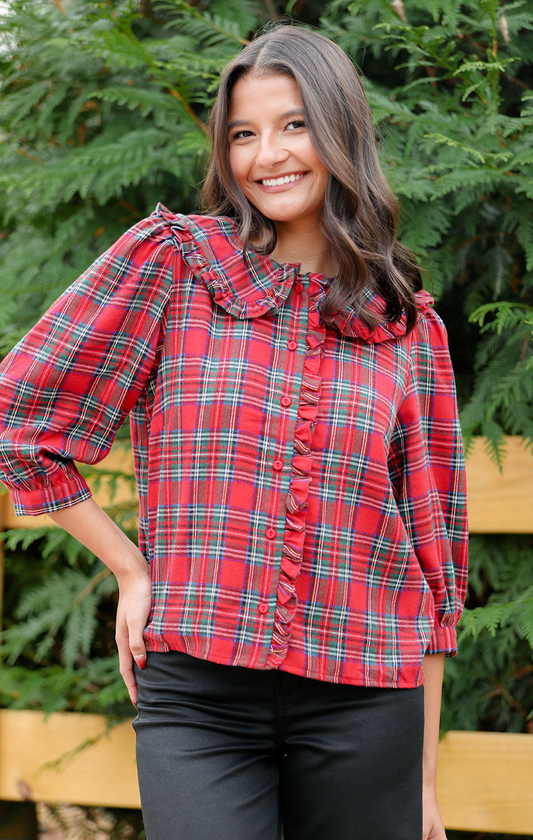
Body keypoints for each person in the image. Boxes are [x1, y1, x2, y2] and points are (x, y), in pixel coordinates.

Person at [0, 24, 468, 840]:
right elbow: (21, 417)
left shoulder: (408, 330)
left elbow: (433, 570)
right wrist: (131, 569)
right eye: (243, 134)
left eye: (293, 125)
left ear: (340, 131)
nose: (266, 156)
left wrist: (421, 784)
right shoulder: (173, 266)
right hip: (196, 693)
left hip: (367, 698)